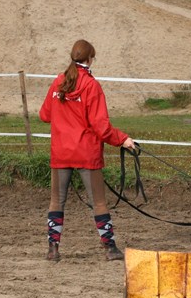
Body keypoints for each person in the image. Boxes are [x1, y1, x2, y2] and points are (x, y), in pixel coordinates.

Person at [39, 39, 136, 262]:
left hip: (61, 152)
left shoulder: (58, 83)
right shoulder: (92, 86)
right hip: (86, 153)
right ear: (90, 59)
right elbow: (101, 126)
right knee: (98, 202)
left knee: (57, 201)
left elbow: (44, 115)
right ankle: (110, 248)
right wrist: (123, 140)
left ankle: (53, 249)